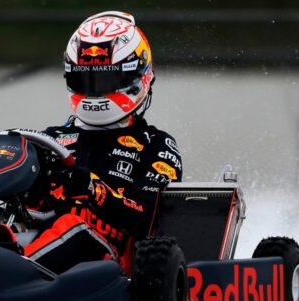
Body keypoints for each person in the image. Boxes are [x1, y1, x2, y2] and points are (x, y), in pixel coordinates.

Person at [22, 11, 183, 275]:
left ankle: (1, 277)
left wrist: (93, 189)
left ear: (139, 77)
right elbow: (30, 209)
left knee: (72, 226)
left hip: (109, 260)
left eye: (105, 80)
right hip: (41, 240)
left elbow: (147, 219)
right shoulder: (48, 139)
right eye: (84, 80)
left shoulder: (157, 145)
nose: (94, 90)